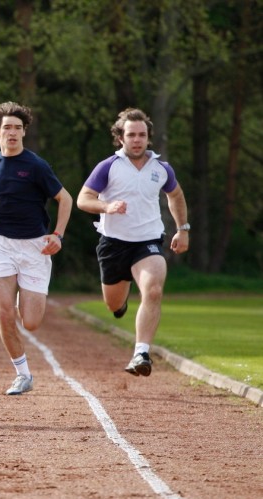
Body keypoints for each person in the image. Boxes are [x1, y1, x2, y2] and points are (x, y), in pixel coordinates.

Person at [0, 101, 72, 396]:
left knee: (32, 323)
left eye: (17, 128)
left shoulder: (36, 166)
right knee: (3, 312)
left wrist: (58, 235)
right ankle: (22, 374)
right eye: (7, 128)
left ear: (24, 132)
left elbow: (65, 199)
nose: (12, 133)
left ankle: (17, 297)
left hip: (34, 247)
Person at [77, 107, 189, 377]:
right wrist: (107, 206)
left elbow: (175, 195)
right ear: (121, 138)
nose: (137, 140)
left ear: (148, 137)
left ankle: (141, 352)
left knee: (153, 291)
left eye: (141, 135)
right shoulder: (108, 166)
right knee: (114, 305)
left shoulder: (161, 169)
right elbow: (83, 199)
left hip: (147, 242)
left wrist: (182, 229)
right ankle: (121, 303)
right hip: (114, 244)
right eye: (131, 135)